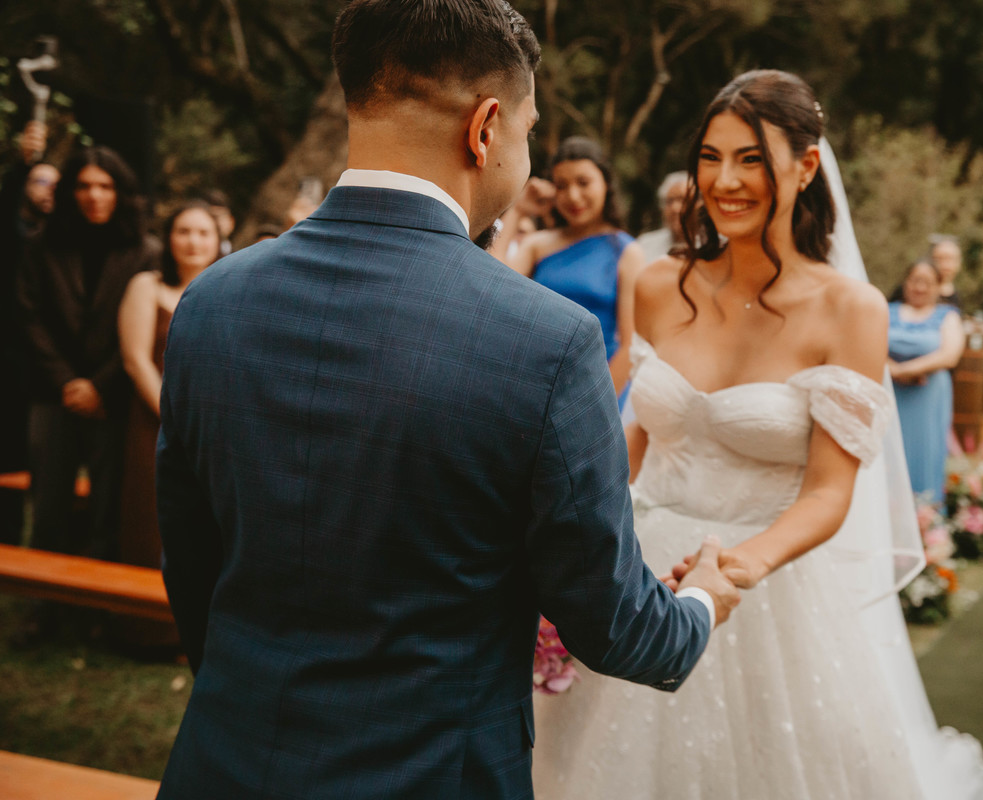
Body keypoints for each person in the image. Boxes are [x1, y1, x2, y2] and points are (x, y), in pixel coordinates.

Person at [153, 2, 739, 798]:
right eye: (529, 131)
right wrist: (702, 599)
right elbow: (614, 624)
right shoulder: (547, 340)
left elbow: (191, 569)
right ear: (486, 127)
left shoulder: (212, 303)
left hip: (225, 763)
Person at [533, 70, 983, 800]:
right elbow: (637, 436)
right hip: (643, 573)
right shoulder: (659, 284)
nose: (724, 181)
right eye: (711, 157)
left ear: (806, 166)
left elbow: (828, 492)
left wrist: (737, 568)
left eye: (750, 159)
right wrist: (572, 542)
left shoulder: (850, 310)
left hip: (768, 581)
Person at [17, 145, 158, 561]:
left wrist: (99, 386)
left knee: (109, 508)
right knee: (48, 504)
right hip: (53, 392)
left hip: (114, 395)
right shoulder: (42, 245)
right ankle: (42, 594)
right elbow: (28, 316)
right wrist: (67, 382)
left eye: (105, 186)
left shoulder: (145, 251)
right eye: (84, 186)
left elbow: (140, 333)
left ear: (121, 193)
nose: (94, 195)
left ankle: (99, 596)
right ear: (69, 192)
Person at [113, 200, 221, 649]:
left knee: (206, 525)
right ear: (169, 238)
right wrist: (176, 417)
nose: (193, 241)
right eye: (183, 231)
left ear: (218, 240)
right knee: (152, 519)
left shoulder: (229, 288)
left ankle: (200, 631)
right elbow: (136, 361)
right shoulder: (147, 286)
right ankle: (147, 632)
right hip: (155, 422)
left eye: (203, 232)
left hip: (214, 429)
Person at [506, 137, 643, 410]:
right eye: (561, 186)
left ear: (606, 183)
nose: (573, 196)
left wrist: (595, 406)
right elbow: (494, 286)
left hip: (597, 390)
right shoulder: (537, 245)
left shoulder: (627, 252)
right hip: (533, 383)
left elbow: (630, 345)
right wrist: (518, 210)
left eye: (583, 182)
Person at [0, 121, 58, 544]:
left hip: (42, 370)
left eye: (55, 183)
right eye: (39, 181)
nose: (47, 190)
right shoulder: (12, 231)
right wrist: (24, 164)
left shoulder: (63, 242)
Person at [888, 259, 965, 504]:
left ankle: (925, 513)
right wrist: (894, 371)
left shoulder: (948, 315)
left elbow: (950, 355)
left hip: (928, 394)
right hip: (889, 392)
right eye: (915, 280)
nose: (920, 287)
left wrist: (906, 370)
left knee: (926, 450)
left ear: (938, 286)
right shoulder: (886, 310)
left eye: (927, 282)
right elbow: (867, 344)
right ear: (906, 282)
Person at [635, 170, 688, 261]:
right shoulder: (645, 244)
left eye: (682, 200)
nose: (675, 208)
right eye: (669, 201)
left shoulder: (712, 246)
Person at [929, 235, 963, 307]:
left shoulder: (961, 296)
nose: (945, 265)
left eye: (950, 259)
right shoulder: (917, 291)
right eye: (940, 259)